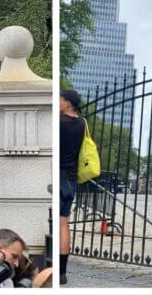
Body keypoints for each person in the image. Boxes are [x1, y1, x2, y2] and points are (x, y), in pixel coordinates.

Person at [59, 88, 85, 285]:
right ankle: (63, 271)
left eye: (60, 99)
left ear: (68, 103)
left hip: (58, 175)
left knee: (56, 223)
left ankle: (54, 268)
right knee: (64, 223)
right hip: (71, 178)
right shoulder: (82, 123)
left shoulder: (59, 122)